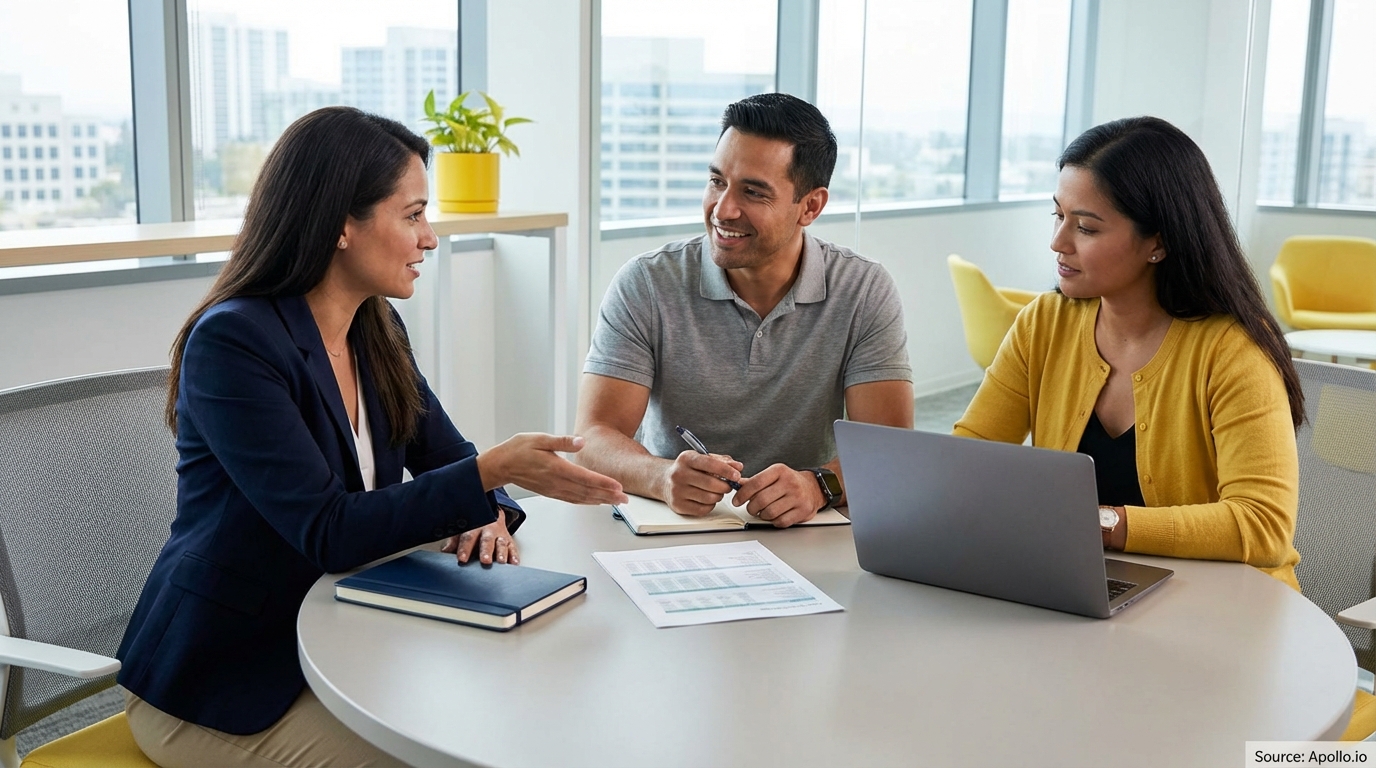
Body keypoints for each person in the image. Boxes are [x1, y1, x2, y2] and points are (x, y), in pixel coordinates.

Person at [116, 106, 627, 768]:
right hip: (223, 685)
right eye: (412, 215)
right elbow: (330, 530)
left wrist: (491, 510)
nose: (431, 238)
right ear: (341, 226)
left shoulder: (375, 328)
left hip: (353, 644)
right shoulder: (234, 343)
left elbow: (453, 465)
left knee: (523, 721)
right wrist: (488, 477)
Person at [953, 116, 1304, 589]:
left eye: (1087, 228)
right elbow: (972, 451)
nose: (1057, 243)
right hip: (1084, 590)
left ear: (1157, 241)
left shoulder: (1233, 349)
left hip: (1226, 607)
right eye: (1058, 216)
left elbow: (1263, 526)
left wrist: (1105, 524)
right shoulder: (1046, 321)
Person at [575, 93, 914, 528]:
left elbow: (888, 447)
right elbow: (593, 438)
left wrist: (818, 485)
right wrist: (661, 477)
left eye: (753, 192)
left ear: (810, 206)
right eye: (717, 181)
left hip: (805, 528)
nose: (723, 209)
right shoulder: (646, 282)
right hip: (672, 525)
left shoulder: (863, 288)